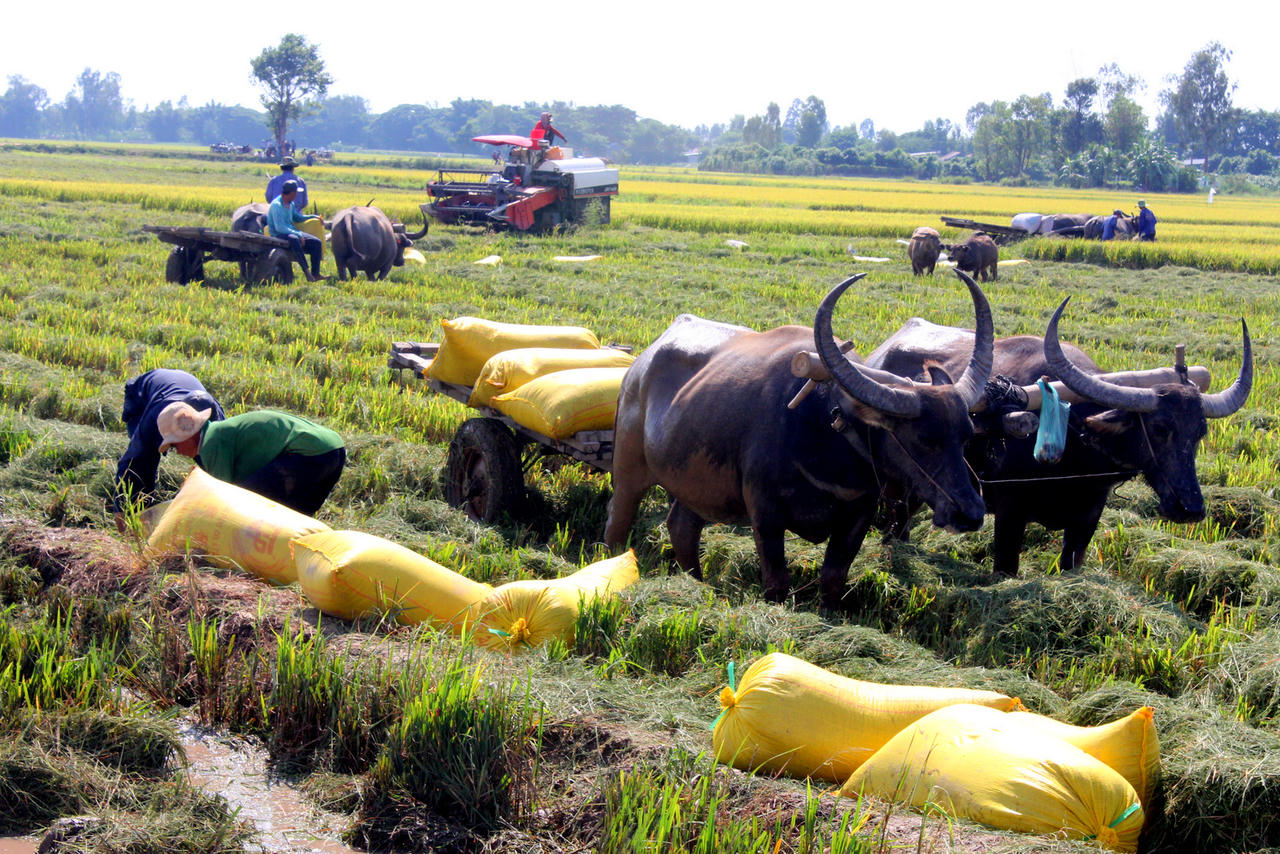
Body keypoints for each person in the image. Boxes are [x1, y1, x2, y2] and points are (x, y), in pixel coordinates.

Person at [157, 402, 346, 517]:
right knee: (298, 517)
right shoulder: (220, 431)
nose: (178, 452)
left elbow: (222, 498)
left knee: (248, 503)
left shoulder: (210, 443)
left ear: (188, 437)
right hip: (334, 449)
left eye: (174, 446)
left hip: (306, 455)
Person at [113, 369, 224, 530]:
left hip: (189, 393)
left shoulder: (214, 417)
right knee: (143, 463)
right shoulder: (154, 421)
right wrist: (122, 514)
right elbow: (131, 465)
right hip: (141, 396)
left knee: (207, 461)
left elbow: (220, 469)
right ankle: (140, 522)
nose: (178, 452)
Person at [267, 180, 324, 282]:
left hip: (290, 232)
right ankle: (307, 272)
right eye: (296, 192)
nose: (297, 195)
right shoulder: (277, 205)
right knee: (294, 240)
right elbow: (280, 228)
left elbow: (297, 218)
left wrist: (313, 216)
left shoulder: (290, 204)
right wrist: (297, 234)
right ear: (292, 193)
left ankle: (316, 274)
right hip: (278, 234)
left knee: (316, 243)